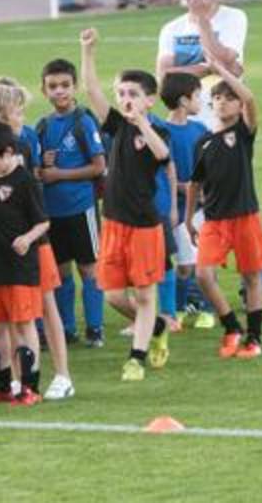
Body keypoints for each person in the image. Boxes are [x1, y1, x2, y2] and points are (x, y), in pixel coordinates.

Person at [79, 27, 172, 382]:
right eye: (121, 93)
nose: (125, 98)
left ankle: (136, 356)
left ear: (150, 100)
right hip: (114, 222)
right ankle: (158, 326)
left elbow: (162, 155)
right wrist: (88, 51)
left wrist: (142, 123)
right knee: (114, 295)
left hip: (144, 226)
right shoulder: (116, 126)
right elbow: (91, 89)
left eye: (133, 93)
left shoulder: (156, 131)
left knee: (145, 294)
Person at [184, 48, 262, 353]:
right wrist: (186, 218)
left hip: (245, 216)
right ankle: (232, 326)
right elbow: (195, 183)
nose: (223, 102)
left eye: (228, 98)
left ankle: (254, 338)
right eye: (218, 98)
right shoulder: (203, 142)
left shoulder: (244, 133)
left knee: (251, 277)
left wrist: (221, 71)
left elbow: (249, 100)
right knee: (203, 275)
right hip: (214, 220)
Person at [0, 121, 51, 406]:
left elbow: (43, 222)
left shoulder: (25, 181)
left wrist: (28, 239)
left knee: (22, 325)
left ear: (7, 152)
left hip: (19, 269)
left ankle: (30, 387)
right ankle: (2, 386)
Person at [37, 58, 106, 356]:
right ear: (44, 90)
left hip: (81, 209)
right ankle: (66, 327)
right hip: (52, 212)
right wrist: (42, 170)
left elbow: (98, 166)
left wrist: (59, 175)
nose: (59, 91)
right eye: (53, 87)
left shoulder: (83, 121)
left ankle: (95, 327)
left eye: (65, 85)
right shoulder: (42, 126)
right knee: (61, 272)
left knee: (88, 268)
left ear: (74, 86)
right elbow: (36, 170)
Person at [155, 0, 247, 127]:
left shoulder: (234, 17)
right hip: (188, 120)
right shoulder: (171, 29)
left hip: (225, 118)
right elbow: (164, 77)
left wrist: (202, 19)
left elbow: (224, 59)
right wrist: (208, 68)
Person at [159, 73, 213, 328]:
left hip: (203, 208)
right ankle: (180, 307)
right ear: (183, 100)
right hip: (179, 210)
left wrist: (207, 188)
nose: (201, 101)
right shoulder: (162, 131)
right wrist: (187, 188)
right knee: (183, 265)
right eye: (197, 96)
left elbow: (211, 166)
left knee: (204, 260)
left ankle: (207, 309)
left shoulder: (200, 130)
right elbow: (164, 172)